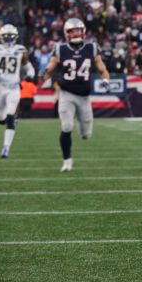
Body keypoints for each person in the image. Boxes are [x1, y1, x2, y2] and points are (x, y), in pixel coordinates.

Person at [43, 18, 110, 172]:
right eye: (72, 31)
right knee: (66, 126)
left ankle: (82, 123)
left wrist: (106, 80)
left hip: (85, 97)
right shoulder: (60, 49)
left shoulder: (92, 48)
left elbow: (102, 69)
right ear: (66, 33)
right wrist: (44, 74)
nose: (75, 34)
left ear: (83, 31)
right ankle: (67, 161)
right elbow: (51, 67)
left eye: (77, 30)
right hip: (66, 94)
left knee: (86, 135)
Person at [0, 24, 35, 158]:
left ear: (15, 37)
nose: (8, 39)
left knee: (10, 116)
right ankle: (8, 121)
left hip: (13, 87)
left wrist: (30, 75)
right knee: (1, 118)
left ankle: (6, 148)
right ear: (1, 37)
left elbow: (29, 67)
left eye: (10, 36)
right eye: (6, 37)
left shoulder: (20, 50)